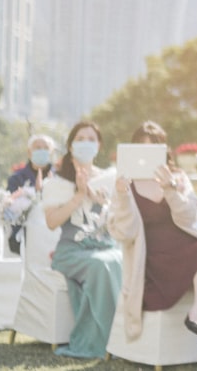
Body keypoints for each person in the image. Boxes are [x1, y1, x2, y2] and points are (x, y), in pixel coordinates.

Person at [108, 120, 197, 352]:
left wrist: (170, 189)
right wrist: (121, 196)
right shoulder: (124, 183)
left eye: (153, 147)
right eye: (141, 146)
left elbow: (192, 217)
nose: (147, 153)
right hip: (152, 257)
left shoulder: (177, 177)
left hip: (185, 245)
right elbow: (125, 232)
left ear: (163, 149)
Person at [42, 121, 122, 359]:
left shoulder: (110, 179)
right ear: (70, 145)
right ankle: (103, 341)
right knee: (101, 265)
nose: (86, 143)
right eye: (80, 139)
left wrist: (101, 198)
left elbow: (117, 217)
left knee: (119, 259)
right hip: (71, 251)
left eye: (91, 139)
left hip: (105, 245)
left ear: (99, 146)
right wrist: (79, 195)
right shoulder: (56, 182)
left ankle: (124, 340)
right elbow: (52, 222)